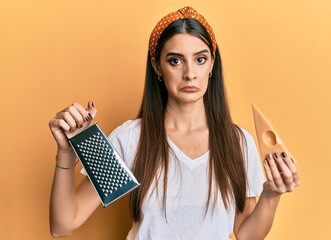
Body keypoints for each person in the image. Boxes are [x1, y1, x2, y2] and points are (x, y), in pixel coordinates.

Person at [49, 6, 300, 240]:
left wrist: (271, 195)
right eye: (175, 60)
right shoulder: (131, 139)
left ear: (212, 64)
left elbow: (246, 234)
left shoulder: (237, 142)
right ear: (157, 66)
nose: (189, 73)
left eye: (200, 59)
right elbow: (64, 224)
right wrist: (65, 153)